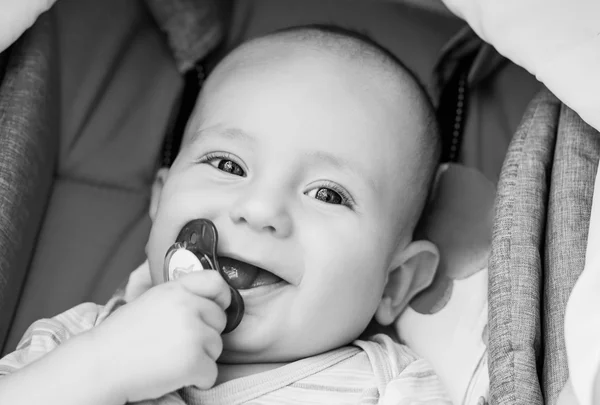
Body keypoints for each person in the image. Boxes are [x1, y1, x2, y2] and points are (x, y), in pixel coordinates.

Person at [0, 25, 449, 404]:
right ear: (159, 203)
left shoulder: (392, 387)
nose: (259, 211)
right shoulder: (73, 343)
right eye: (227, 165)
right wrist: (97, 367)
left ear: (394, 282)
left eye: (328, 194)